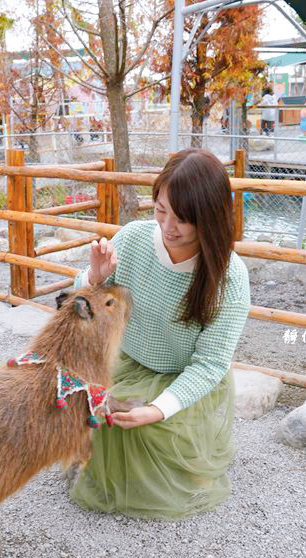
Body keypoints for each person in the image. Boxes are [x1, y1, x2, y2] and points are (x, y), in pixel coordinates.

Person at [68, 148, 251, 520]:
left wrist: (157, 410)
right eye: (160, 210)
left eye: (183, 218)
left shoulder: (230, 278)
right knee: (93, 409)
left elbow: (209, 364)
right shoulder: (135, 238)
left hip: (182, 376)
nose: (168, 227)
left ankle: (179, 466)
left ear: (210, 217)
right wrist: (94, 280)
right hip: (127, 361)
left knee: (144, 430)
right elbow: (81, 307)